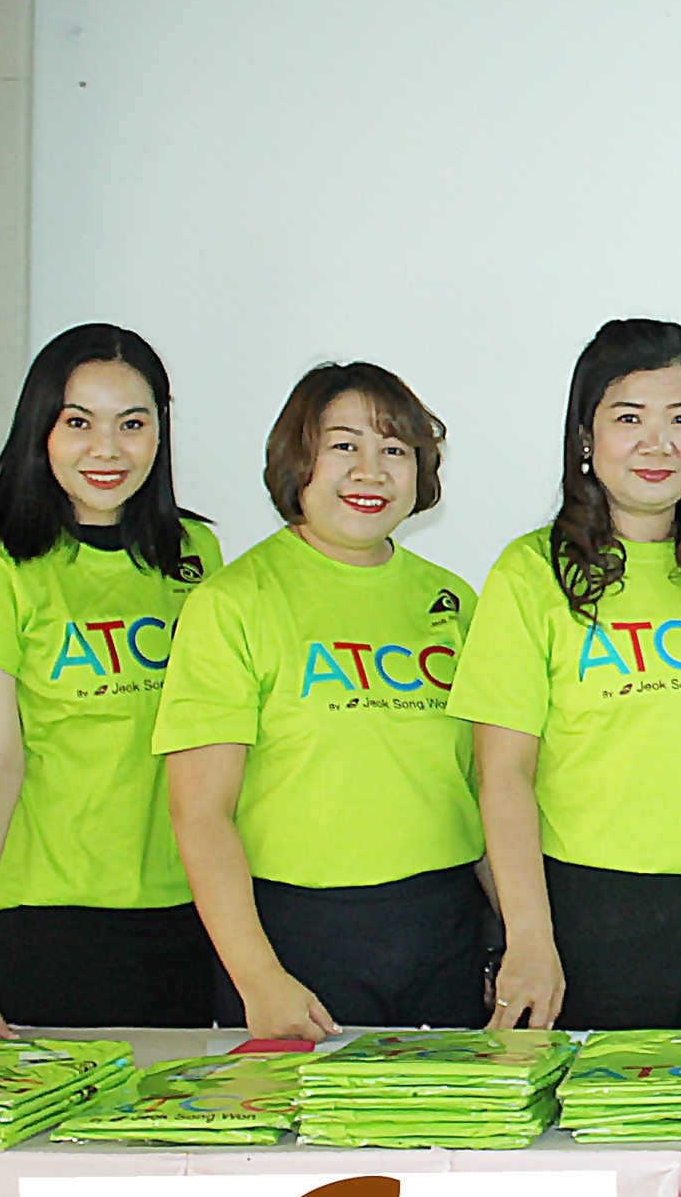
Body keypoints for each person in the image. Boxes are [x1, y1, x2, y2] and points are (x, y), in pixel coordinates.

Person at [448, 319, 681, 1031]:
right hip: (585, 908)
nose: (657, 443)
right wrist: (529, 936)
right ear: (586, 435)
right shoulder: (530, 571)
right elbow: (503, 774)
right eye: (629, 418)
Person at [157, 363, 489, 1038]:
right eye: (344, 445)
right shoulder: (232, 602)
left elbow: (484, 783)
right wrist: (258, 976)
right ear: (298, 459)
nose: (371, 471)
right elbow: (200, 812)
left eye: (395, 450)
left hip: (445, 927)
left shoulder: (455, 600)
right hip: (295, 935)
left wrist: (509, 936)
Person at [0, 323, 220, 1044]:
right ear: (40, 429)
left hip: (191, 907)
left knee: (175, 1113)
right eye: (79, 422)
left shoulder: (195, 553)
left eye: (132, 424)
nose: (107, 449)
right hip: (51, 914)